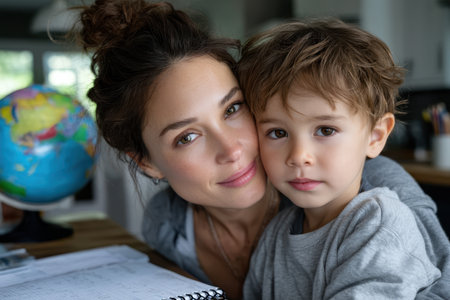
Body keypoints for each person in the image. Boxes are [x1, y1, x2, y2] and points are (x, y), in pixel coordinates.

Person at [71, 1, 449, 299]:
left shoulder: (372, 189)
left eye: (233, 109)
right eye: (187, 136)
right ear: (147, 162)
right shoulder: (169, 225)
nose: (232, 149)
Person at [238, 18, 448, 299]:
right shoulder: (276, 233)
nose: (299, 157)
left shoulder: (379, 224)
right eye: (277, 132)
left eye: (326, 130)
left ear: (375, 137)